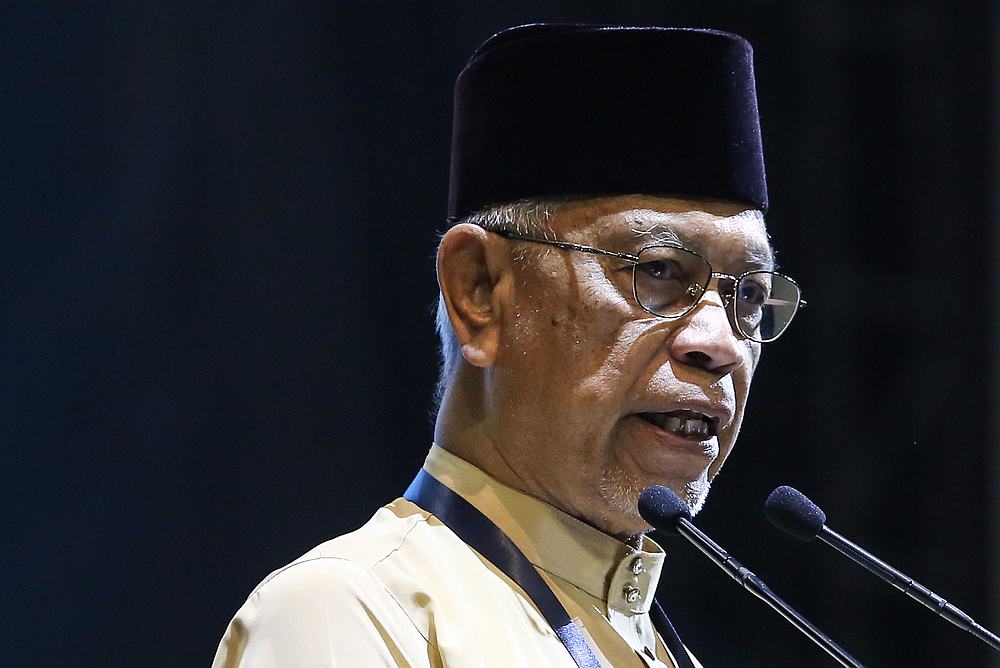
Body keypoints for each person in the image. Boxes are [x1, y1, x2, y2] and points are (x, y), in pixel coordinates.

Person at [212, 23, 804, 668]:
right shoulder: (356, 610)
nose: (718, 342)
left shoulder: (653, 645)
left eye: (748, 292)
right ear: (481, 292)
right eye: (658, 270)